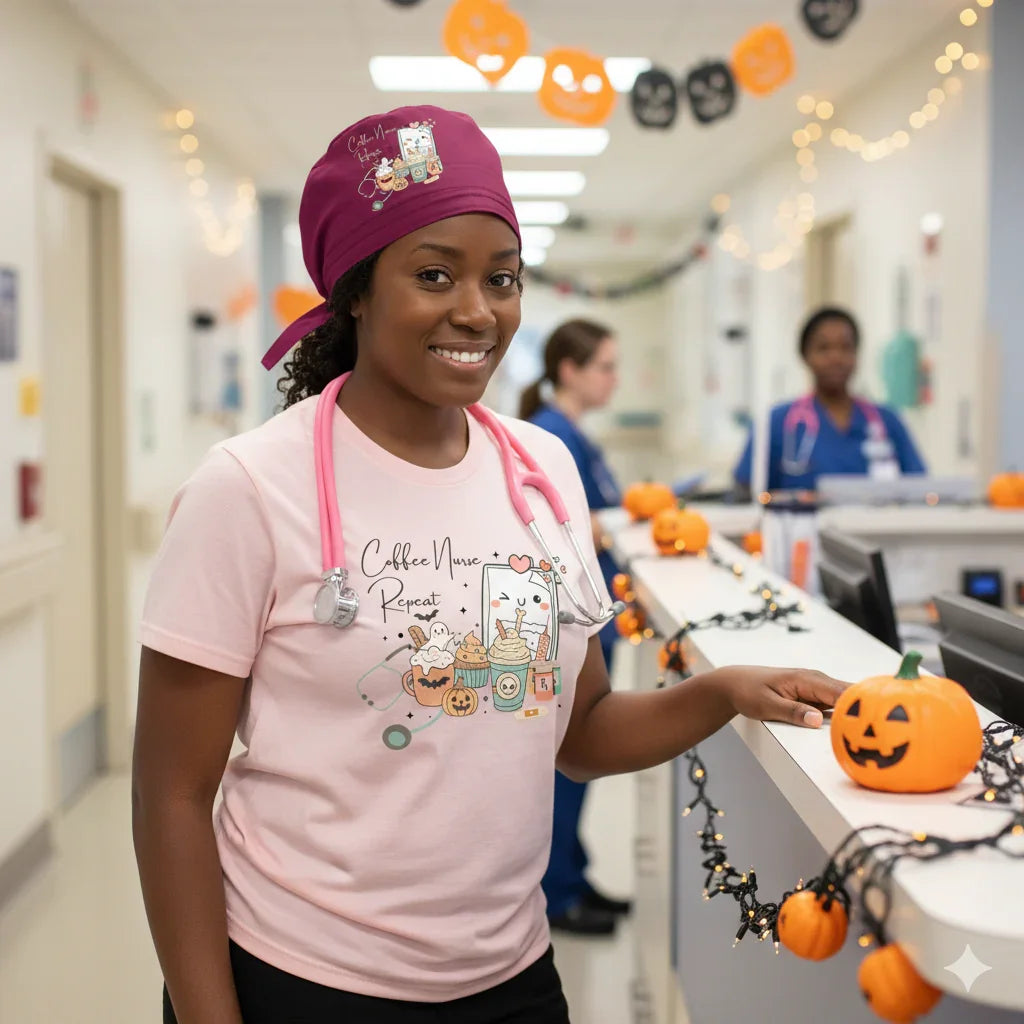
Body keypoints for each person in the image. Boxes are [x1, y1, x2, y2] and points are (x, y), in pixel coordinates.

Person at [132, 105, 847, 1024]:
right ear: (357, 289)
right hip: (303, 975)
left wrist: (723, 692)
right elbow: (172, 795)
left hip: (511, 975)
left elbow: (578, 732)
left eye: (501, 279)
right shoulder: (250, 489)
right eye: (434, 275)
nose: (477, 310)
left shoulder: (539, 474)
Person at [520, 320, 628, 937]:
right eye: (605, 366)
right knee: (567, 760)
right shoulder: (551, 435)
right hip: (566, 618)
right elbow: (570, 528)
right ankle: (557, 894)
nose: (614, 379)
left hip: (590, 612)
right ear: (569, 370)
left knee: (582, 758)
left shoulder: (574, 437)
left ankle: (575, 874)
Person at [734, 307, 926, 495]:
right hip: (798, 527)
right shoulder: (776, 423)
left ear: (856, 354)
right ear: (805, 356)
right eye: (823, 348)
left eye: (845, 347)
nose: (836, 358)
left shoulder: (887, 421)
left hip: (877, 527)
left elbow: (920, 488)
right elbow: (745, 492)